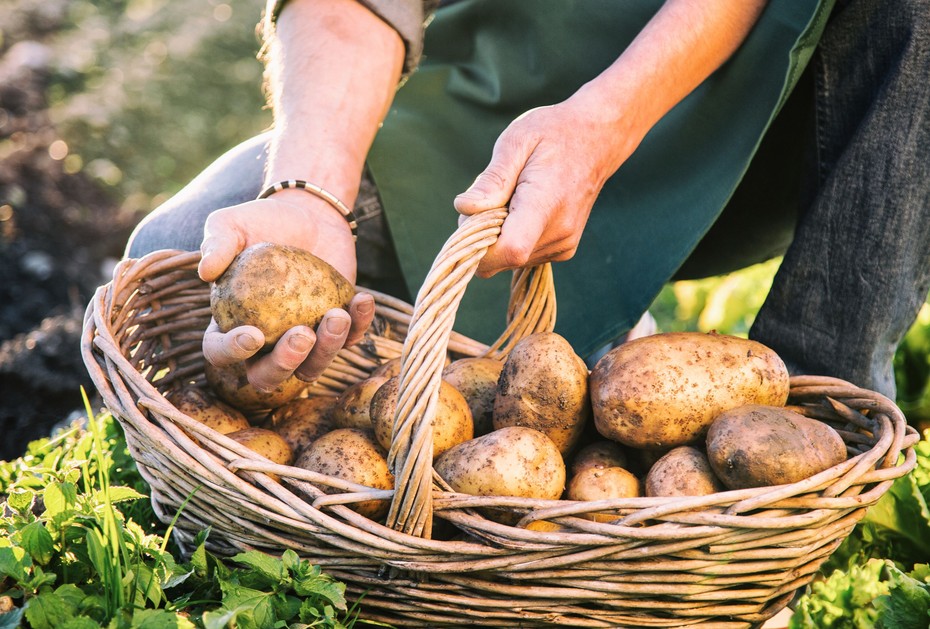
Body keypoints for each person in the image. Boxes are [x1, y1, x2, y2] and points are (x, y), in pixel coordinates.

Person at [125, 0, 930, 402]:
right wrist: (309, 192)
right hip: (491, 108)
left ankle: (824, 408)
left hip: (777, 106)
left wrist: (605, 121)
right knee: (167, 261)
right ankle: (584, 329)